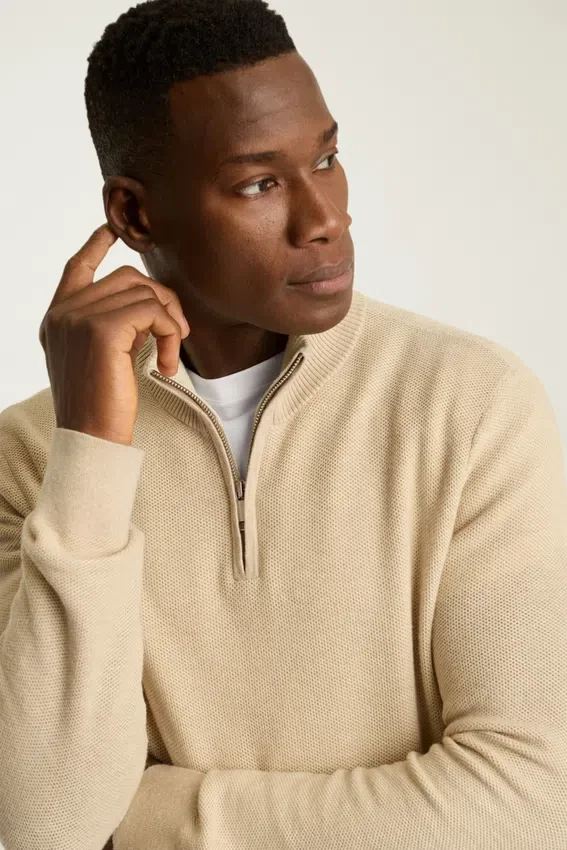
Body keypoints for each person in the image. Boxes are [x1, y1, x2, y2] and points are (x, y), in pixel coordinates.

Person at [1, 0, 566, 848]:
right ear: (135, 215)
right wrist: (88, 448)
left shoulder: (471, 404)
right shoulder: (31, 458)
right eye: (259, 183)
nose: (324, 218)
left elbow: (529, 802)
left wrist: (142, 821)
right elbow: (48, 820)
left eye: (326, 159)